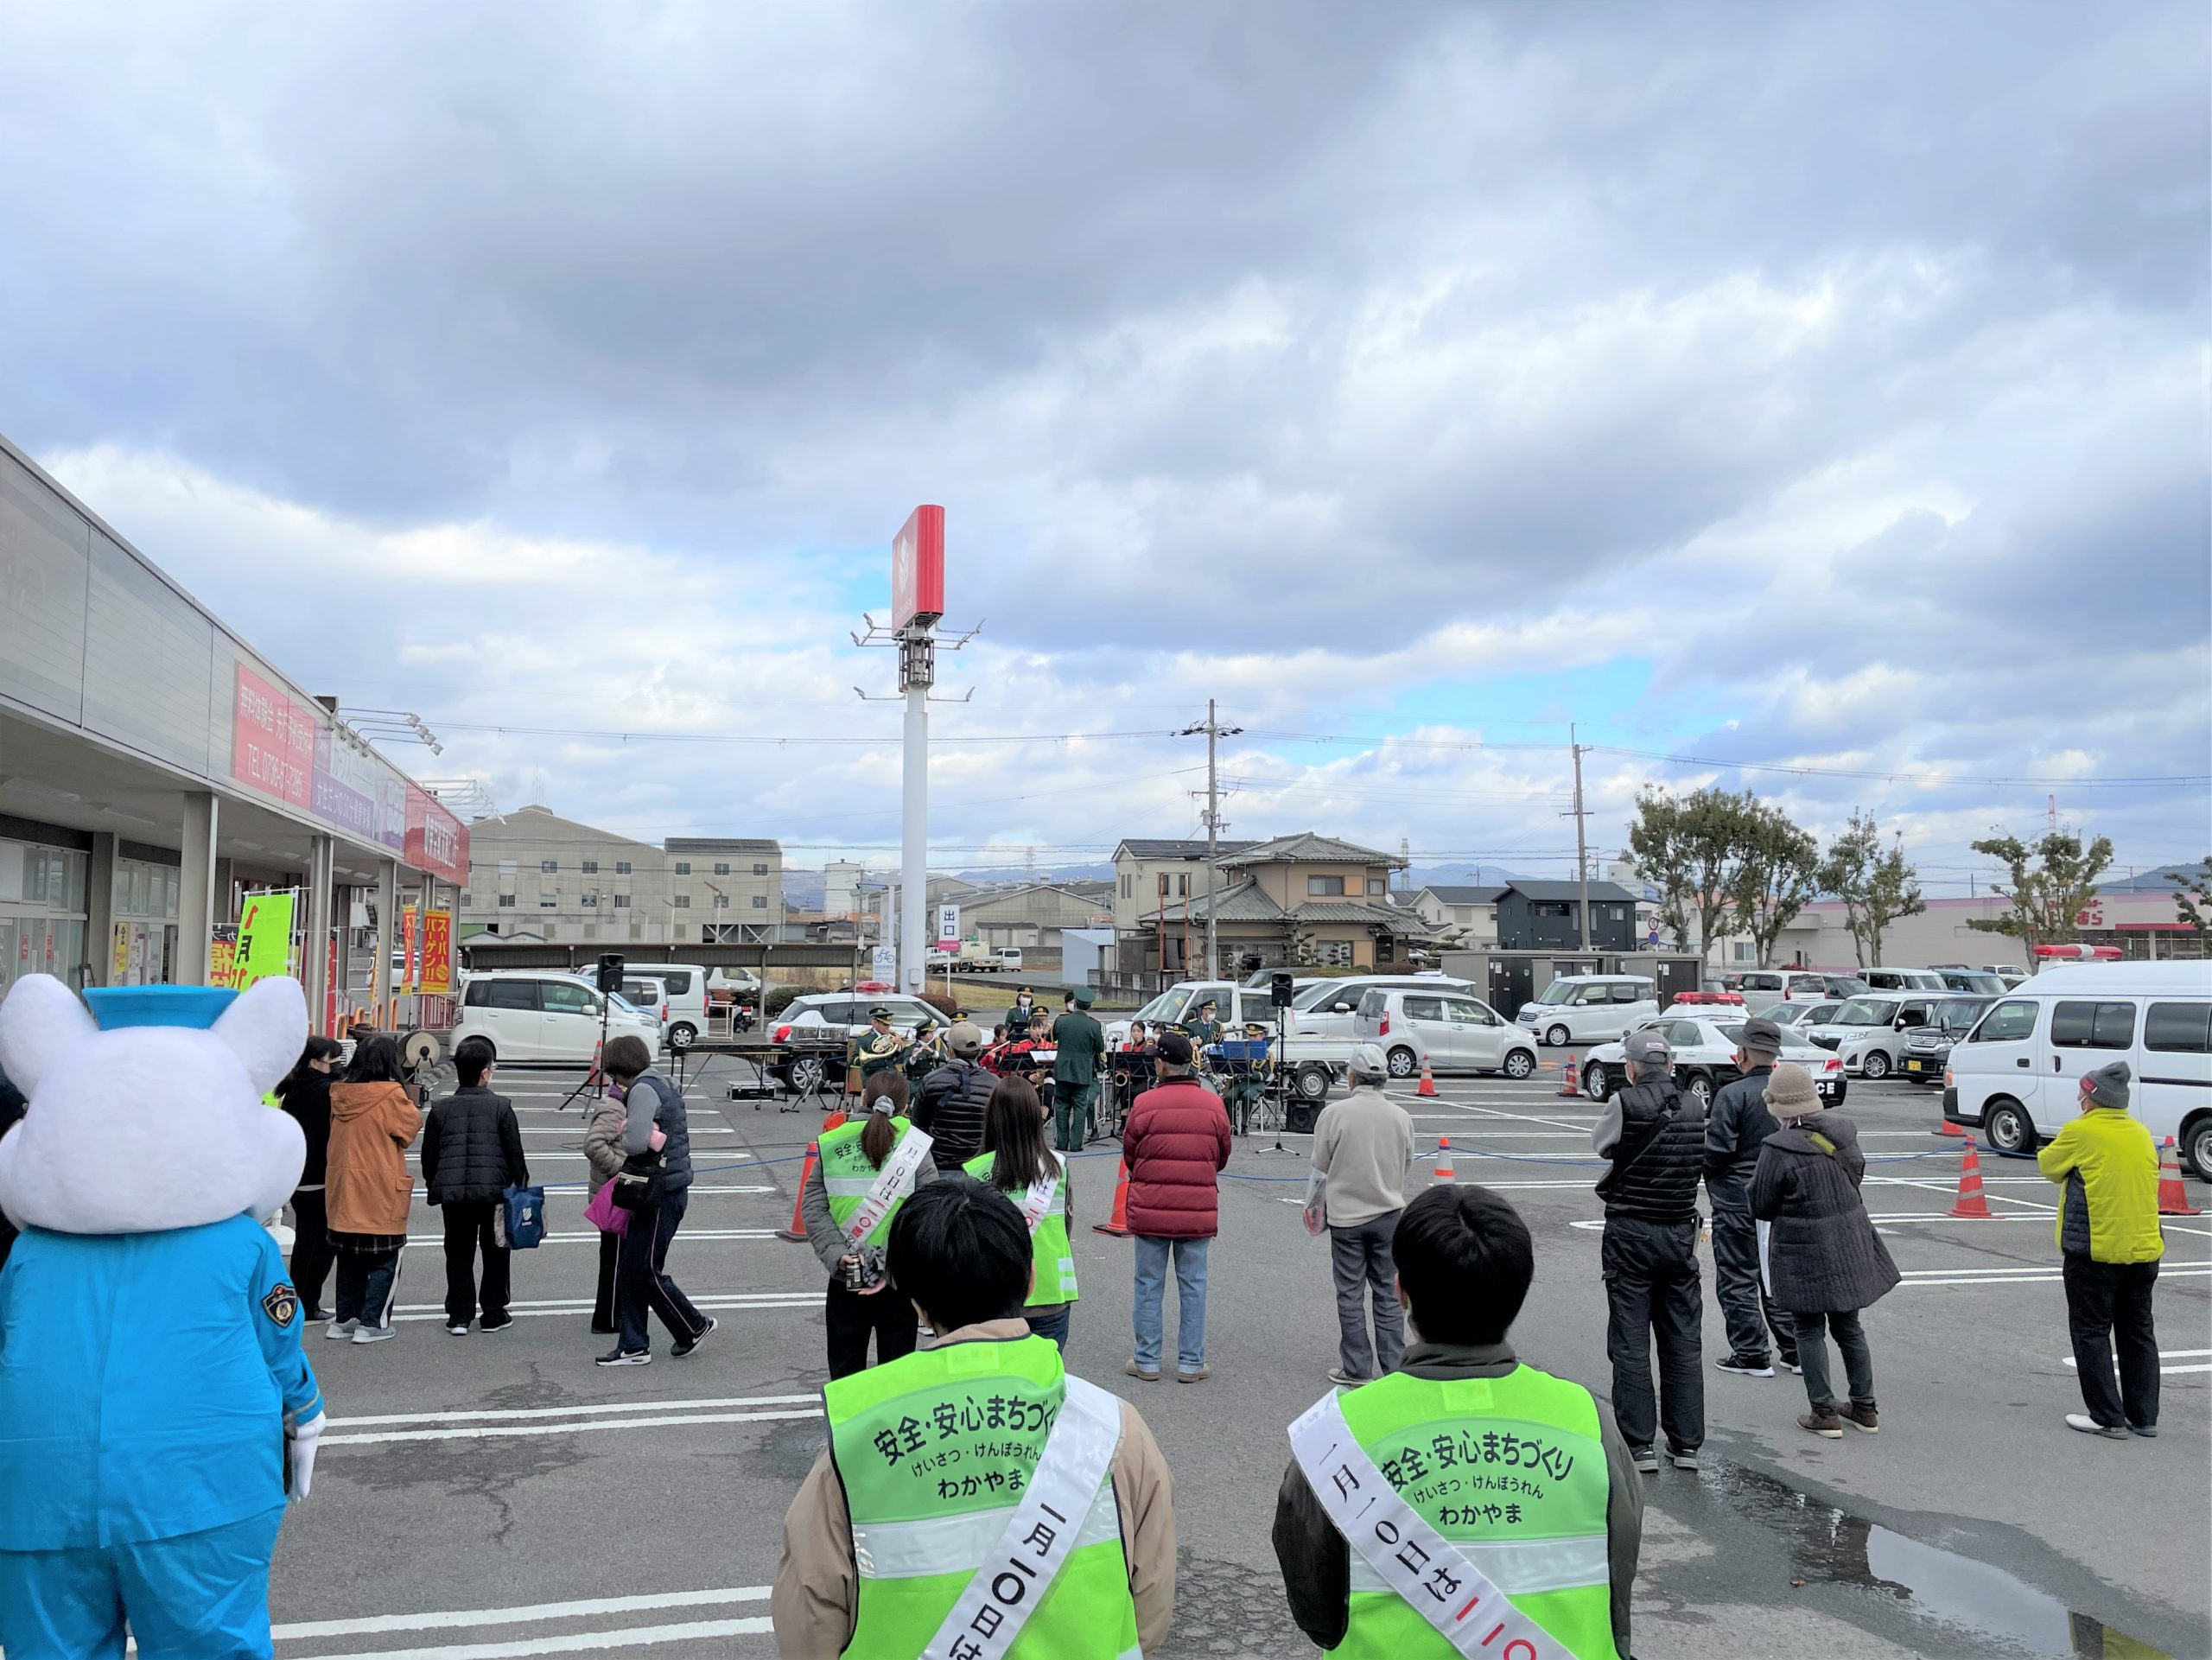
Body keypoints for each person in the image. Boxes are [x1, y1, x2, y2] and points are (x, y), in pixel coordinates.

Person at [0, 976, 325, 1660]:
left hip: (35, 1493)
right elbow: (281, 1338)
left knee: (49, 1645)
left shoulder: (29, 1254)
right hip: (202, 1487)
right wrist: (305, 1409)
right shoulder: (243, 1246)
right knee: (207, 1639)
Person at [772, 1177, 1176, 1657]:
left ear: (916, 1304)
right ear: (1030, 1278)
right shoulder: (1113, 1426)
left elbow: (809, 1620)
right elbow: (1149, 1604)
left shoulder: (859, 1432)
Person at [1272, 1184, 1643, 1657]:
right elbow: (1617, 1582)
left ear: (1400, 1291)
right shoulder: (1588, 1420)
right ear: (1519, 1292)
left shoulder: (1339, 1433)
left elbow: (1316, 1609)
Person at [1750, 1063, 1898, 1439]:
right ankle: (1865, 1408)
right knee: (1849, 1326)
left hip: (1804, 1249)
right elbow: (1857, 1173)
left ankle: (1824, 1412)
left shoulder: (1778, 1148)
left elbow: (1761, 1203)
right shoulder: (1843, 1133)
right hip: (1849, 1239)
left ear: (1777, 1106)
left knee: (1808, 1327)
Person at [1592, 1028, 1707, 1473]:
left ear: (1631, 1067)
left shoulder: (1625, 1101)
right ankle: (1687, 1445)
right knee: (1682, 1337)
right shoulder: (1696, 1104)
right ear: (1671, 1065)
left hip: (1631, 1232)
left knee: (1630, 1337)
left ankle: (1639, 1445)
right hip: (1680, 1232)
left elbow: (1600, 1145)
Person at [2037, 1060, 2164, 1439]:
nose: (2079, 1099)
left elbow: (2048, 1164)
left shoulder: (2081, 1131)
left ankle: (2106, 1416)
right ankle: (2144, 1417)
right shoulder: (2141, 1133)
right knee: (2138, 1330)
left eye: (2083, 1093)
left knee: (2091, 1330)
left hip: (2095, 1250)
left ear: (2092, 1098)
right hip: (2144, 1250)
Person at [801, 1070, 942, 1378]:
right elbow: (929, 1213)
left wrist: (837, 1254)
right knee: (896, 1379)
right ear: (906, 1107)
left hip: (847, 1273)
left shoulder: (831, 1142)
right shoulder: (914, 1146)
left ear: (863, 1098)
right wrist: (890, 1263)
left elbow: (813, 1207)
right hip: (898, 1278)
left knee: (845, 1376)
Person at [1122, 1032, 1231, 1383]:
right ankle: (1190, 1362)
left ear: (1161, 1064)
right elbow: (1222, 1155)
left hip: (1152, 1205)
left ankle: (1148, 1359)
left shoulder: (1144, 1103)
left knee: (1148, 1284)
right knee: (1194, 1284)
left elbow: (1130, 1154)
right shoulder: (1213, 1104)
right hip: (1196, 1207)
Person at [598, 1034, 712, 1367]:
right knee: (632, 1267)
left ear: (619, 1069)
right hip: (667, 1188)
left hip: (658, 1192)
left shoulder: (642, 1089)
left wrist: (621, 1130)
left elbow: (634, 1142)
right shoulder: (661, 1081)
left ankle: (692, 1325)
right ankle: (633, 1345)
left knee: (643, 1267)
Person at [1310, 1043, 1414, 1386]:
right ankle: (1394, 1369)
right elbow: (1407, 1163)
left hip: (1346, 1217)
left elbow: (1321, 1165)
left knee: (1350, 1291)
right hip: (1389, 1213)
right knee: (1388, 1291)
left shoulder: (1335, 1114)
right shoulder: (1401, 1117)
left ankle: (1356, 1368)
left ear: (1352, 1076)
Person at [1703, 1015, 1799, 1377]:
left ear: (1742, 1053)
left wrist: (1707, 1173)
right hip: (1780, 1198)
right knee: (1777, 1276)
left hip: (1736, 1198)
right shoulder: (1788, 1093)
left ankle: (1751, 1352)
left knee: (1737, 1276)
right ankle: (1794, 1348)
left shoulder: (1732, 1094)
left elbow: (1717, 1152)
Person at [422, 1034, 530, 1335]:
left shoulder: (441, 1110)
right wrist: (520, 1186)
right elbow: (514, 1154)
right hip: (494, 1192)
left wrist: (435, 1183)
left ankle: (459, 1315)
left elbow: (429, 1156)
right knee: (495, 1250)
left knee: (457, 1251)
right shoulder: (501, 1107)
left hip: (454, 1195)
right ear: (485, 1072)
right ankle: (493, 1312)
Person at [965, 1073, 1078, 1349]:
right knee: (1045, 1383)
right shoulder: (1057, 1167)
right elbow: (1066, 1225)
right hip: (1051, 1291)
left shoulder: (975, 1173)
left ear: (992, 1118)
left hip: (995, 1296)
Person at [326, 1034, 422, 1345]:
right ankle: (373, 1323)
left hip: (343, 1191)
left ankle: (344, 1320)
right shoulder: (392, 1095)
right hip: (379, 1190)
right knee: (385, 1258)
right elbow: (410, 1127)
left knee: (349, 1257)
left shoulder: (339, 1094)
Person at [274, 1035, 344, 1321]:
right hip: (319, 1175)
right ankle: (308, 1301)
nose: (336, 1066)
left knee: (306, 1239)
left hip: (298, 1175)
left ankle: (297, 1300)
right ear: (315, 1062)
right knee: (323, 1243)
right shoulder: (324, 1091)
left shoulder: (292, 1090)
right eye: (332, 1060)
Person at [911, 1020, 995, 1170]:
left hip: (939, 1163)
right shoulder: (994, 1083)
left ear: (950, 1050)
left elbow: (918, 1126)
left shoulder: (931, 1080)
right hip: (981, 1166)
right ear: (979, 1051)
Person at [582, 1078, 630, 1335]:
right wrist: (624, 1170)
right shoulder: (615, 1107)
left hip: (611, 1194)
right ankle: (608, 1318)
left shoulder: (618, 1103)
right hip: (613, 1196)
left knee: (615, 1256)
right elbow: (593, 1144)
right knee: (614, 1258)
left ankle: (611, 1314)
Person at [1051, 984, 1109, 1154]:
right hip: (1083, 1071)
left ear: (1074, 1003)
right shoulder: (1093, 1025)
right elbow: (1099, 1047)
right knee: (1080, 1107)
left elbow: (1053, 1037)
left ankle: (1061, 1143)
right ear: (1089, 1006)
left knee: (1061, 1106)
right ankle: (1076, 1144)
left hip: (1062, 1070)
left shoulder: (1061, 1020)